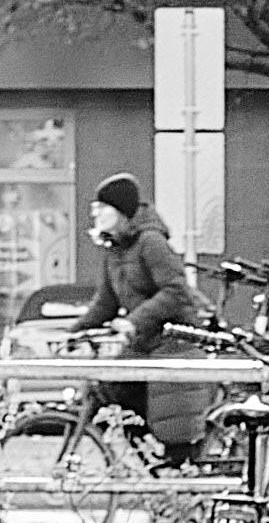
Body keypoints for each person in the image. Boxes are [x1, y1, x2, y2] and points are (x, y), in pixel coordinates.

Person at [84, 170, 204, 460]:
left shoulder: (151, 242)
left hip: (173, 341)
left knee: (171, 419)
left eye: (103, 208)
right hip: (145, 343)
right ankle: (149, 459)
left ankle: (170, 466)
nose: (96, 214)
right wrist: (76, 332)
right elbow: (105, 302)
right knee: (108, 392)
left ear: (121, 212)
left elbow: (176, 291)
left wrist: (132, 322)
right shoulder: (114, 249)